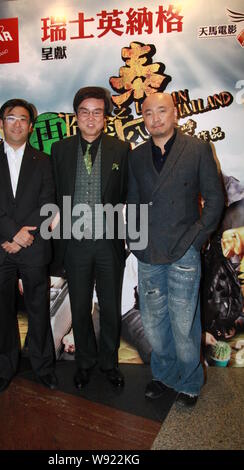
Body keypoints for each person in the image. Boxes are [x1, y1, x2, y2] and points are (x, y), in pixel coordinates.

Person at [127, 92, 224, 408]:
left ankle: (190, 382)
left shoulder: (196, 149)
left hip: (184, 250)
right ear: (143, 118)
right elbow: (132, 202)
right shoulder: (137, 155)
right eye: (148, 113)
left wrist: (195, 240)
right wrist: (135, 241)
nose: (155, 118)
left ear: (175, 113)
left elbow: (215, 200)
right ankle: (164, 376)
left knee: (185, 323)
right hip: (149, 252)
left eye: (161, 111)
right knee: (154, 324)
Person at [0, 98, 57, 395]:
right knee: (2, 311)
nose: (18, 124)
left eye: (23, 119)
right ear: (2, 122)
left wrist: (23, 237)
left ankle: (43, 366)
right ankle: (6, 368)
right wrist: (11, 234)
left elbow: (48, 201)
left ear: (31, 126)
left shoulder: (43, 161)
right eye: (11, 118)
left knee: (38, 309)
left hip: (33, 247)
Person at [51, 86, 129, 389]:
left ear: (105, 117)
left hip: (109, 242)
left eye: (98, 112)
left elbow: (129, 195)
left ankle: (109, 363)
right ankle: (84, 362)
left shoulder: (120, 150)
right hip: (75, 243)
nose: (91, 117)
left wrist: (128, 234)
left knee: (110, 307)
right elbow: (54, 193)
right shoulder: (60, 150)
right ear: (76, 116)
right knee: (80, 306)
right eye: (85, 112)